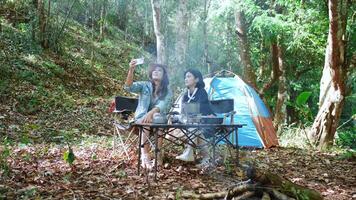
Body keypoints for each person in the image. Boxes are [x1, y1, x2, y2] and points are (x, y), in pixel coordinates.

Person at [124, 60, 172, 169]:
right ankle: (145, 156)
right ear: (151, 73)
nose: (156, 71)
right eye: (154, 70)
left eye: (159, 70)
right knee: (147, 122)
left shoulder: (167, 90)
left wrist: (151, 113)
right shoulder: (144, 85)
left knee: (158, 122)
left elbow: (163, 104)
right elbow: (128, 87)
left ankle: (158, 154)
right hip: (142, 118)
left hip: (159, 119)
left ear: (164, 75)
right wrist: (131, 69)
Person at [175, 68, 213, 167]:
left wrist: (193, 117)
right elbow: (183, 113)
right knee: (196, 129)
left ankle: (189, 151)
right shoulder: (185, 95)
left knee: (195, 126)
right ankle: (206, 158)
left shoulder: (202, 92)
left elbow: (204, 111)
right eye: (185, 77)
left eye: (188, 76)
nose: (186, 79)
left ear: (196, 80)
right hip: (190, 124)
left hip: (206, 123)